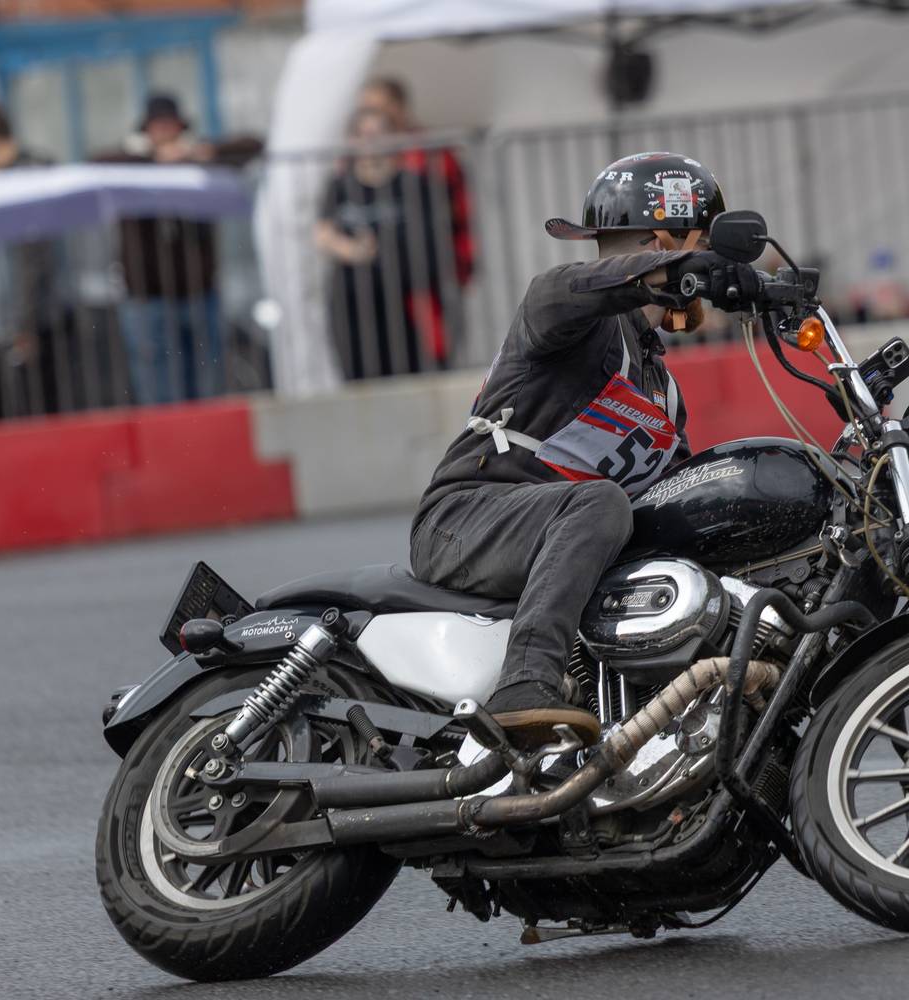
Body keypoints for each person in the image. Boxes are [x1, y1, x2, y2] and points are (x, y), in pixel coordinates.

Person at [409, 152, 754, 746]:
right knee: (598, 502)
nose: (711, 264)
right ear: (663, 242)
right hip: (462, 518)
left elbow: (676, 501)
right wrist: (677, 270)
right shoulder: (570, 314)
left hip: (540, 535)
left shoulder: (662, 391)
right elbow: (563, 289)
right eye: (704, 244)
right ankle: (525, 683)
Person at [98, 93, 261, 405]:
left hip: (198, 294)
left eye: (169, 125)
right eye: (157, 126)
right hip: (146, 298)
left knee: (207, 387)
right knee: (159, 393)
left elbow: (253, 146)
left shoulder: (197, 161)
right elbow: (96, 162)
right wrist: (152, 160)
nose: (164, 132)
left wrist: (203, 152)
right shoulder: (129, 166)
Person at [316, 107, 447, 379]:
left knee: (407, 373)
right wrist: (354, 250)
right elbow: (323, 234)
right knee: (356, 376)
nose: (372, 142)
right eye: (364, 135)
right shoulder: (340, 185)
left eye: (378, 134)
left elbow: (431, 235)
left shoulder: (411, 183)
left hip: (402, 298)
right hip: (351, 299)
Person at [357, 76, 474, 367]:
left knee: (432, 353)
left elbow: (456, 209)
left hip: (427, 276)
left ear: (399, 107)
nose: (372, 116)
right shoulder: (360, 156)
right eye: (366, 109)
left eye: (378, 107)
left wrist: (460, 260)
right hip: (381, 281)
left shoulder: (430, 151)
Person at [0, 103, 62, 420]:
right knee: (1, 405)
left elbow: (35, 259)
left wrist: (24, 323)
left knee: (40, 404)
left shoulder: (31, 176)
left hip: (30, 317)